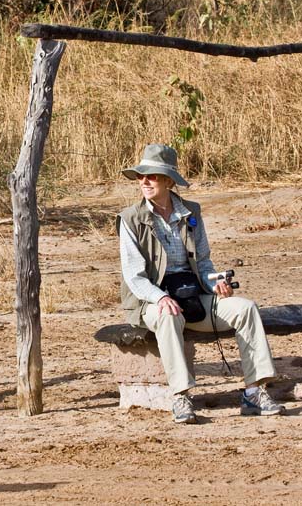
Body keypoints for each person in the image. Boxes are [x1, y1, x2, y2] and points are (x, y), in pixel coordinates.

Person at [117, 143, 286, 424]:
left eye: (152, 176)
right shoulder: (130, 219)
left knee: (245, 308)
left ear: (168, 180)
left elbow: (203, 261)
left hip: (193, 295)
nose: (144, 181)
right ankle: (181, 396)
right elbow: (134, 276)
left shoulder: (191, 212)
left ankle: (254, 392)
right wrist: (160, 297)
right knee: (168, 314)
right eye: (140, 176)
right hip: (151, 301)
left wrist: (216, 283)